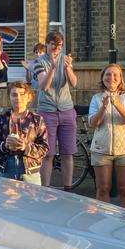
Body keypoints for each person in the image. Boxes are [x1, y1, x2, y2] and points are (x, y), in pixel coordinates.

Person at [88, 64, 125, 211]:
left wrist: (117, 104)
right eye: (108, 74)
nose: (111, 78)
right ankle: (102, 222)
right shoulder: (96, 98)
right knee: (103, 189)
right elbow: (93, 123)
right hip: (101, 149)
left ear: (120, 78)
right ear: (103, 78)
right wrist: (103, 107)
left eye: (115, 75)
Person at [32, 31, 78, 189]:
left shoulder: (66, 59)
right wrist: (52, 68)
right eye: (52, 44)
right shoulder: (39, 62)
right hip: (47, 111)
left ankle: (68, 188)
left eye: (58, 45)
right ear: (47, 44)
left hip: (66, 110)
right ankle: (45, 189)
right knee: (48, 154)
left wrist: (68, 68)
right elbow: (43, 86)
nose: (55, 48)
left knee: (67, 153)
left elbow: (74, 83)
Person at [0, 82, 48, 184]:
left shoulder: (37, 120)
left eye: (22, 94)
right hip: (7, 171)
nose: (18, 98)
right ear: (9, 97)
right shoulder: (1, 119)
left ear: (29, 97)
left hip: (30, 173)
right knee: (7, 200)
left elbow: (44, 148)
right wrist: (4, 146)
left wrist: (26, 147)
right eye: (14, 95)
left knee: (31, 200)